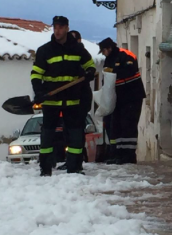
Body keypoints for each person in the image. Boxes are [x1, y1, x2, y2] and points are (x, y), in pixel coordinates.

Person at [31, 16, 96, 176]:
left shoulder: (78, 48)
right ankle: (45, 168)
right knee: (47, 134)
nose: (57, 30)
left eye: (61, 27)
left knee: (75, 134)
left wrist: (89, 73)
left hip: (72, 99)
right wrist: (38, 92)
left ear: (67, 28)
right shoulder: (44, 50)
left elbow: (90, 65)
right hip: (51, 100)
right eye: (55, 27)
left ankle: (74, 167)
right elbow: (36, 74)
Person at [98, 38, 146, 165]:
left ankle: (129, 154)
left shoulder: (126, 55)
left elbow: (129, 71)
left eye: (103, 51)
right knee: (116, 125)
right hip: (118, 97)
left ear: (109, 48)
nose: (103, 53)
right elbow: (106, 78)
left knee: (128, 125)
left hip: (132, 96)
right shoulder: (108, 60)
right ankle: (118, 154)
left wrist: (114, 75)